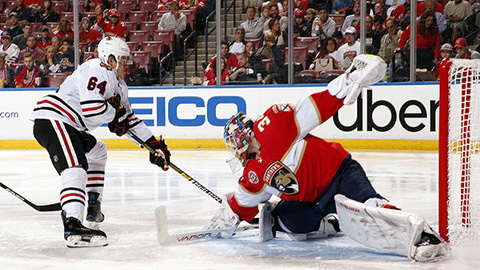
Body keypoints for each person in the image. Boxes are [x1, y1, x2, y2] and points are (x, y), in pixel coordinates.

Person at [211, 54, 448, 262]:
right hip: (312, 199)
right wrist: (229, 214)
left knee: (370, 205)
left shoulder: (275, 123)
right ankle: (330, 223)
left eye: (233, 143)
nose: (234, 150)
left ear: (241, 137)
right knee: (285, 226)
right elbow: (244, 203)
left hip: (339, 173)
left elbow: (318, 105)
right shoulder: (251, 173)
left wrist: (349, 80)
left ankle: (421, 234)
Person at [30, 36, 171, 248]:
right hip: (55, 119)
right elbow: (92, 108)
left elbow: (129, 119)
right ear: (110, 58)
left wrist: (152, 144)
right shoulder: (97, 67)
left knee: (98, 151)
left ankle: (93, 207)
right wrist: (115, 116)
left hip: (72, 125)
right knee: (75, 168)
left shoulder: (119, 86)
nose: (127, 64)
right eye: (123, 60)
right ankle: (73, 224)